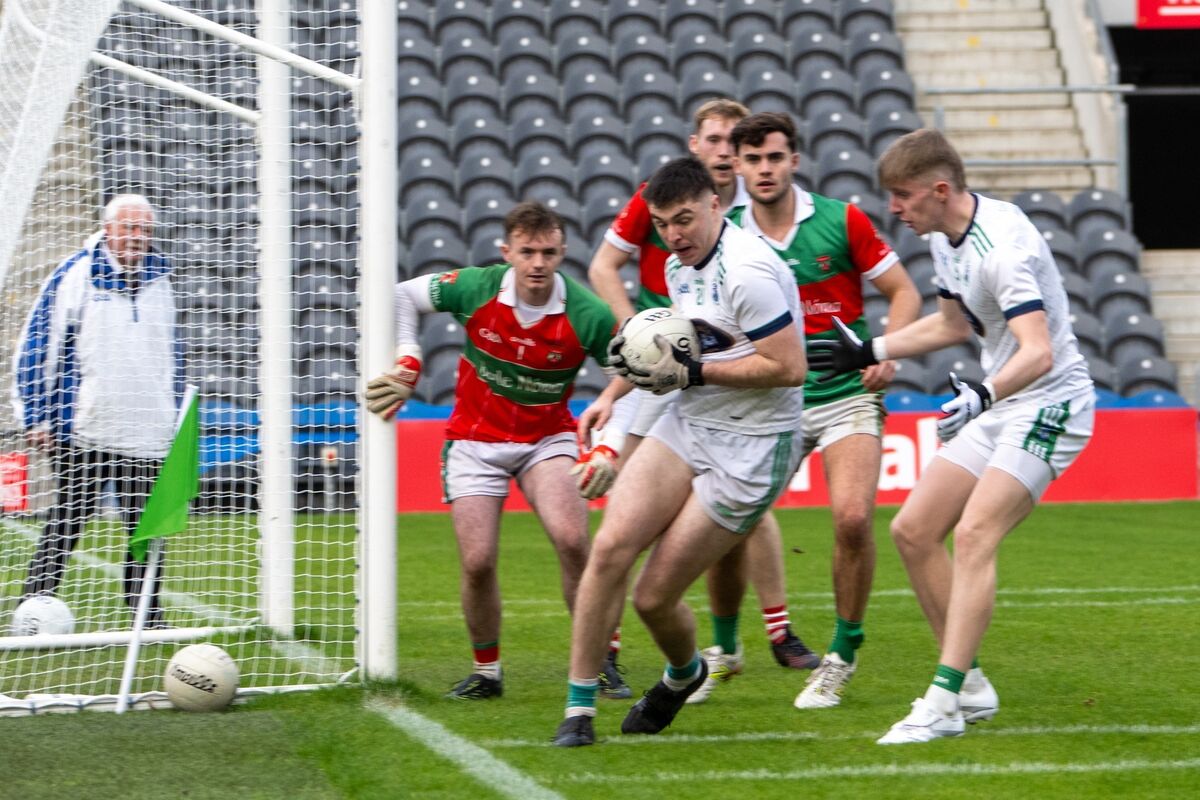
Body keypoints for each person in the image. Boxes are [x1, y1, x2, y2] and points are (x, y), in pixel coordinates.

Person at [808, 129, 1094, 744]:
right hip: (1006, 399)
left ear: (940, 190)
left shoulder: (1002, 248)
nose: (895, 209)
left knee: (974, 533)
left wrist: (984, 395)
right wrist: (871, 347)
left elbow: (1039, 352)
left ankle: (941, 699)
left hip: (1051, 403)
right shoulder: (944, 238)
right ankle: (969, 686)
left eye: (903, 196)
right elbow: (951, 324)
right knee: (912, 531)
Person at [552, 156, 808, 747]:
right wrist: (617, 390)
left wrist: (693, 373)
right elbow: (669, 352)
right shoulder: (677, 266)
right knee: (611, 545)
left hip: (753, 447)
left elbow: (788, 368)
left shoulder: (749, 272)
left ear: (717, 204)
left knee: (652, 597)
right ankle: (578, 709)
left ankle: (683, 674)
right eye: (664, 223)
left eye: (685, 219)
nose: (674, 234)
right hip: (690, 423)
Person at [688, 112, 921, 708]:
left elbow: (904, 292)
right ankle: (723, 652)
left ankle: (842, 655)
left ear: (794, 160)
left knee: (849, 518)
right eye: (752, 159)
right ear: (734, 166)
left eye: (775, 157)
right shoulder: (728, 231)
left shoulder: (842, 220)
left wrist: (884, 351)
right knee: (727, 525)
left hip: (845, 395)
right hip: (767, 402)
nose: (764, 169)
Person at [589, 98, 821, 676]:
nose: (724, 150)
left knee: (736, 526)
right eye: (714, 139)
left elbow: (788, 366)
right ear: (696, 144)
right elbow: (603, 268)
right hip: (679, 384)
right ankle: (602, 665)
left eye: (732, 142)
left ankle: (764, 631)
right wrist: (627, 362)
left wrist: (687, 367)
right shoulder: (670, 238)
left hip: (741, 414)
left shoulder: (746, 259)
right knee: (620, 531)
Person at [365, 201, 631, 700]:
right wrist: (408, 358)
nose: (537, 263)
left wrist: (608, 438)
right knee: (478, 560)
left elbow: (631, 369)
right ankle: (487, 672)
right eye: (527, 252)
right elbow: (402, 295)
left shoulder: (587, 313)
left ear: (562, 253)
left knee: (574, 541)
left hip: (546, 438)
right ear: (506, 251)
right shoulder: (477, 287)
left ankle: (601, 660)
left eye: (548, 253)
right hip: (474, 438)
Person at [13, 194, 180, 628]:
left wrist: (172, 414)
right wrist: (36, 415)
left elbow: (170, 356)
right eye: (129, 228)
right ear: (108, 229)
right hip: (86, 429)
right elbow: (38, 343)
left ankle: (147, 614)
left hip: (146, 433)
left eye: (144, 229)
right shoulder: (76, 274)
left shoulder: (163, 282)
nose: (137, 238)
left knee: (147, 533)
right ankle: (33, 609)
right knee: (66, 523)